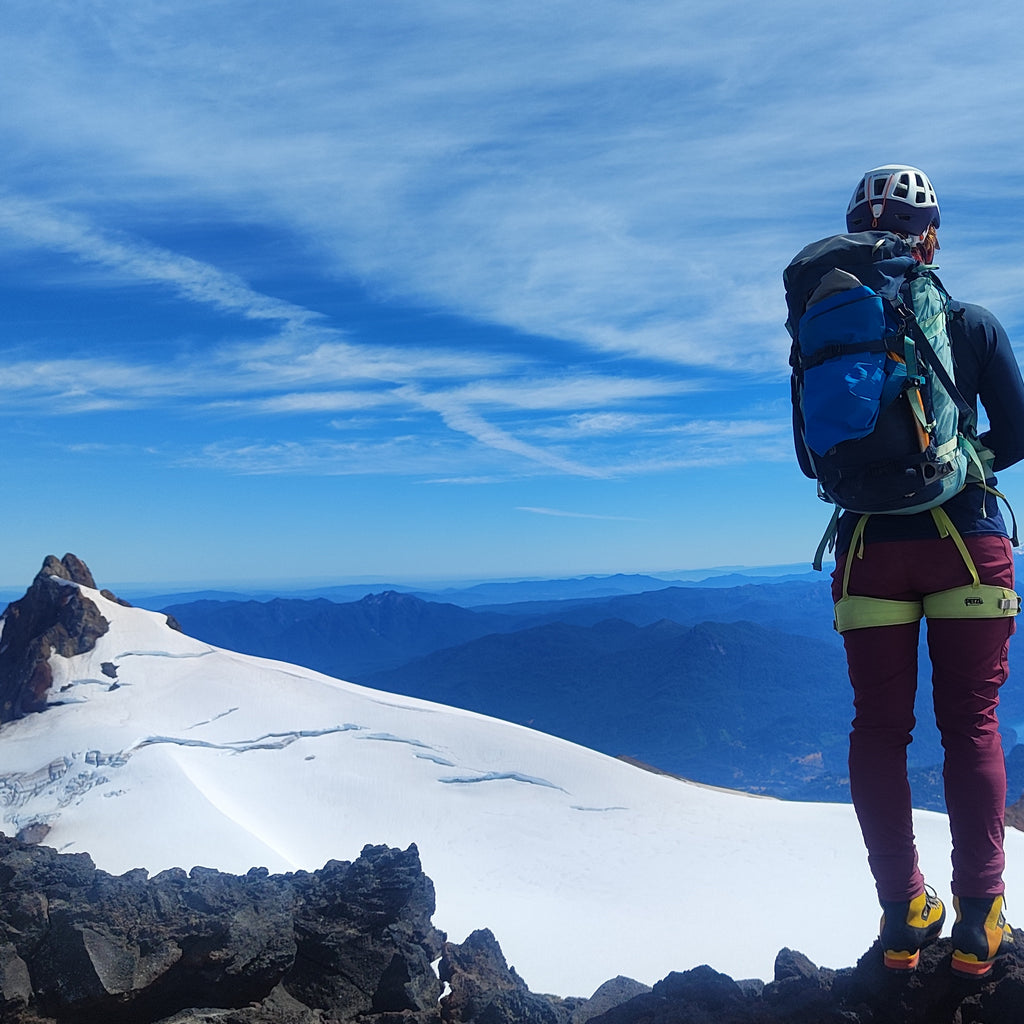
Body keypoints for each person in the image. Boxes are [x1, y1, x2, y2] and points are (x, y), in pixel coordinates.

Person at [795, 165, 1024, 975]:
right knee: (972, 726)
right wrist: (959, 461)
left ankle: (903, 914)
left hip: (867, 550)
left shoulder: (823, 326)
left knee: (878, 731)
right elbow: (1019, 432)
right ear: (927, 237)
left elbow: (813, 459)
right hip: (966, 539)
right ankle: (980, 917)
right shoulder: (969, 323)